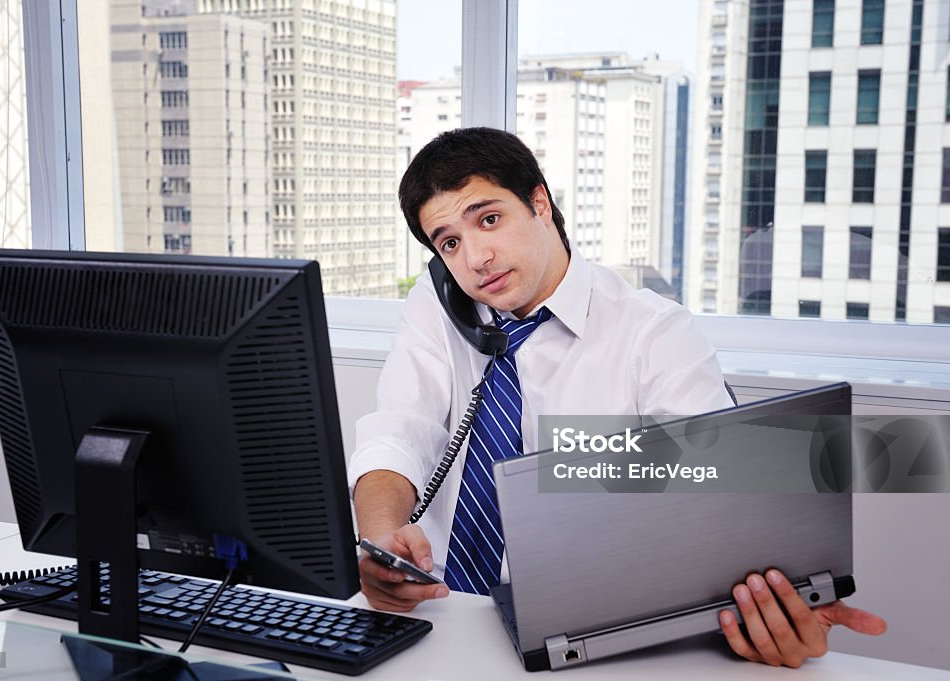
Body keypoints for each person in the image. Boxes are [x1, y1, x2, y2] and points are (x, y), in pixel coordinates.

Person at [347, 127, 885, 667]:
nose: (477, 258)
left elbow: (720, 502)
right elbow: (398, 428)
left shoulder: (656, 334)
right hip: (440, 612)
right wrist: (382, 545)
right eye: (450, 242)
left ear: (540, 203)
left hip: (581, 631)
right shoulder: (438, 304)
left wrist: (768, 610)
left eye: (489, 219)